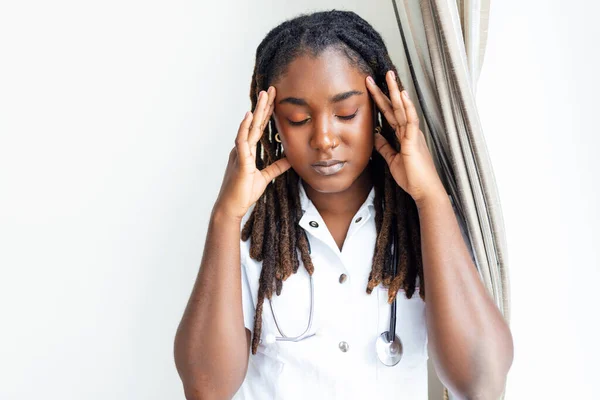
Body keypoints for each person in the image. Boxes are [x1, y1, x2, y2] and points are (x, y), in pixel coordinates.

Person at [174, 9, 513, 400]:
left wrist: (431, 197)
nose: (324, 138)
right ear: (273, 124)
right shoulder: (251, 232)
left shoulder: (427, 223)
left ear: (380, 111)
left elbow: (481, 383)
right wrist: (224, 217)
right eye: (299, 118)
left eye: (346, 113)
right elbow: (205, 389)